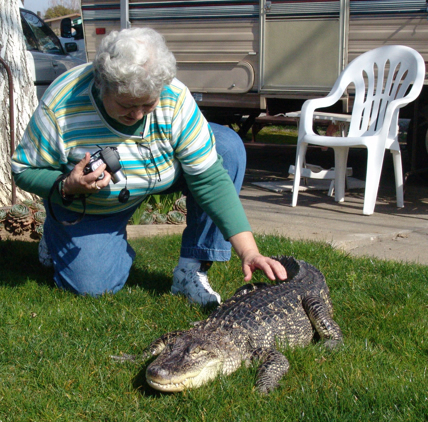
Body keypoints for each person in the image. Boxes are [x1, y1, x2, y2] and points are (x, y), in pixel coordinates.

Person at [12, 27, 286, 305]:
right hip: (92, 202)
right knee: (92, 286)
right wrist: (67, 186)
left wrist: (249, 251)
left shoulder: (174, 96)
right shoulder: (61, 104)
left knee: (226, 148)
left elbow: (211, 180)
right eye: (127, 105)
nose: (138, 114)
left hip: (158, 175)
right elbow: (23, 170)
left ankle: (190, 270)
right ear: (101, 84)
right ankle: (57, 232)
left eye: (148, 103)